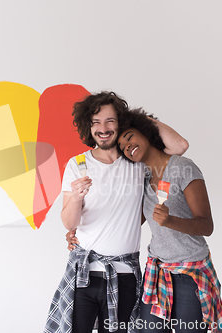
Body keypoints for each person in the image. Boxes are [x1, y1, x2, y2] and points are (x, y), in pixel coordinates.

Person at [44, 92, 188, 333]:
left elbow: (180, 146)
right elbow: (69, 223)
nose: (103, 128)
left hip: (125, 277)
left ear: (120, 123)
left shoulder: (138, 161)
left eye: (110, 121)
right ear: (87, 127)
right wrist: (77, 197)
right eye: (96, 122)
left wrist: (141, 121)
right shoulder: (77, 164)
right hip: (84, 274)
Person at [115, 108, 222, 333]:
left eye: (130, 137)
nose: (127, 146)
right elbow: (130, 223)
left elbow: (207, 226)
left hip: (189, 275)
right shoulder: (142, 177)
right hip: (157, 273)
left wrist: (170, 221)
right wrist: (80, 232)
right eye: (122, 147)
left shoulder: (182, 167)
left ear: (146, 132)